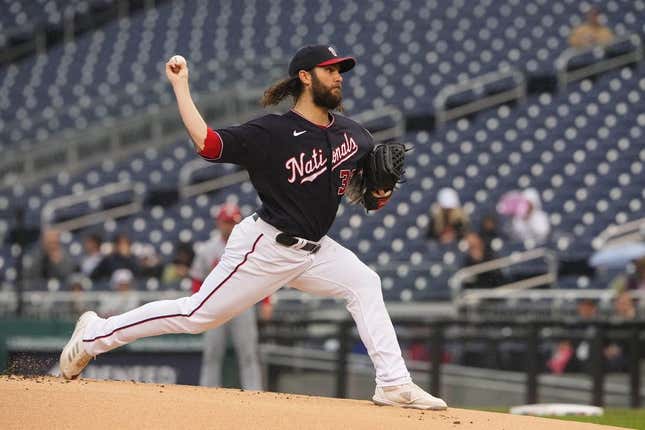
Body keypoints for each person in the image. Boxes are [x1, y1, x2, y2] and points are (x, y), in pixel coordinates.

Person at [59, 45, 447, 410]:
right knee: (196, 316)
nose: (339, 76)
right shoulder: (271, 133)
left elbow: (366, 196)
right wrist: (181, 87)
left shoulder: (355, 135)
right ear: (305, 77)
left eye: (340, 70)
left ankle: (393, 383)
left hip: (315, 251)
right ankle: (95, 333)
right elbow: (208, 144)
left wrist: (380, 192)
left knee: (365, 282)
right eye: (330, 70)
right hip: (266, 247)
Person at [190, 203, 266, 390]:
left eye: (233, 222)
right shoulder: (208, 248)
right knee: (212, 353)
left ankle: (253, 393)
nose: (229, 226)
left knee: (248, 353)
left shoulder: (249, 244)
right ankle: (208, 391)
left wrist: (266, 301)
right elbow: (197, 278)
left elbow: (264, 275)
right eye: (226, 222)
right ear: (219, 223)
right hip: (215, 305)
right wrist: (198, 303)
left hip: (242, 303)